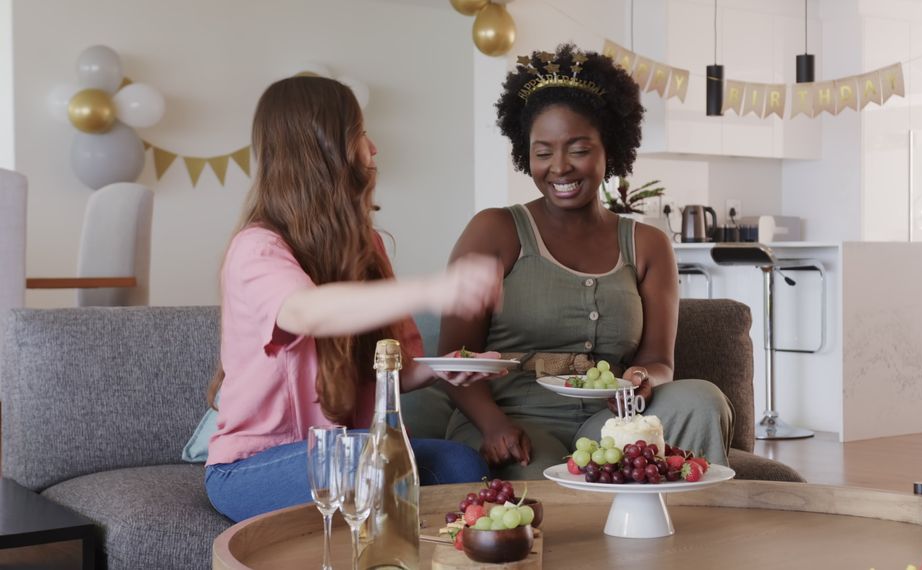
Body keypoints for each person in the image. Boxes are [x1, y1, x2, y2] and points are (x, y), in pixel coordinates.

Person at [204, 76, 503, 522]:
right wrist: (435, 289)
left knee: (462, 464)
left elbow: (389, 373)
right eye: (361, 133)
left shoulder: (367, 248)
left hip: (352, 453)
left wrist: (446, 368)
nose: (374, 148)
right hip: (251, 468)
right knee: (371, 457)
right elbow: (305, 311)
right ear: (325, 148)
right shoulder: (257, 248)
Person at [437, 44, 735, 480]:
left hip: (611, 423)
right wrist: (493, 423)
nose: (559, 167)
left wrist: (640, 379)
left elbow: (659, 361)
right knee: (549, 486)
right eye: (543, 152)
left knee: (702, 400)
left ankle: (700, 533)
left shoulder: (648, 244)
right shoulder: (495, 231)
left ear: (608, 150)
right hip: (512, 421)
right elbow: (453, 357)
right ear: (527, 154)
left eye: (578, 149)